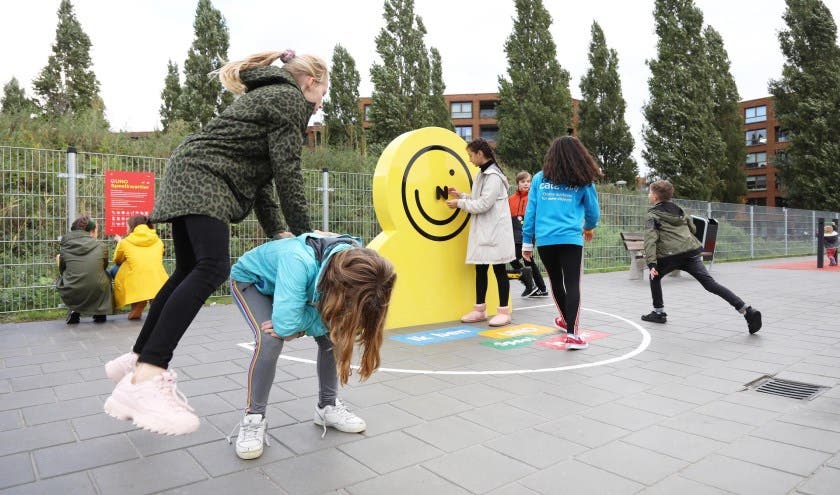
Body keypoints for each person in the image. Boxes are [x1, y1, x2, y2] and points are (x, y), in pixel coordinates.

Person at [103, 49, 327, 436]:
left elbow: (262, 179)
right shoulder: (289, 99)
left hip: (191, 170)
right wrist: (307, 233)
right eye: (323, 91)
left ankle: (138, 357)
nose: (322, 100)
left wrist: (280, 230)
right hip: (205, 177)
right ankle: (148, 376)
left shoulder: (267, 95)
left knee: (191, 268)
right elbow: (288, 173)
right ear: (310, 81)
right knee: (212, 268)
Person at [227, 232, 396, 460]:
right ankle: (253, 418)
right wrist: (300, 323)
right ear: (340, 285)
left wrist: (304, 323)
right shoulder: (297, 260)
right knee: (271, 340)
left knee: (330, 335)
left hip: (294, 287)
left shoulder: (362, 263)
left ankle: (327, 408)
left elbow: (327, 317)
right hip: (254, 283)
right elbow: (286, 326)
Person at [641, 179, 762, 334]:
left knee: (654, 277)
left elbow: (650, 240)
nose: (649, 195)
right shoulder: (680, 210)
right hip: (691, 252)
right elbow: (693, 228)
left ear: (656, 197)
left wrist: (652, 264)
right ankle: (746, 310)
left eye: (650, 192)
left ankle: (658, 313)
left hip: (669, 256)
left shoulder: (652, 215)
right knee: (710, 284)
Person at [521, 136, 601, 350]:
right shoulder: (583, 180)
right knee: (573, 283)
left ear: (551, 155)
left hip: (545, 240)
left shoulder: (539, 179)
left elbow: (531, 212)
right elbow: (593, 211)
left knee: (556, 281)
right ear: (579, 155)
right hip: (571, 239)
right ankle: (573, 334)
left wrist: (527, 242)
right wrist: (588, 227)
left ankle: (567, 321)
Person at [447, 138, 515, 327]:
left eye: (470, 155)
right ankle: (480, 309)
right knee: (481, 268)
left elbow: (484, 204)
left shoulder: (493, 176)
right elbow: (479, 199)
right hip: (486, 231)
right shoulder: (483, 174)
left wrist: (459, 204)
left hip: (495, 232)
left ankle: (504, 311)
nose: (469, 159)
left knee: (500, 269)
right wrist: (461, 195)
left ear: (480, 154)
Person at [57, 215, 113, 324]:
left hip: (72, 287)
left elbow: (62, 268)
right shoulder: (102, 246)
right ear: (91, 232)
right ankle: (100, 313)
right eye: (97, 230)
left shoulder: (65, 245)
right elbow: (104, 266)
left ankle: (74, 310)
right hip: (97, 286)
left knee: (69, 276)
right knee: (104, 275)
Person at [111, 215, 169, 320]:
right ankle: (154, 301)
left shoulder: (125, 242)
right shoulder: (159, 241)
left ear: (133, 227)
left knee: (116, 268)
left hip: (136, 280)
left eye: (127, 227)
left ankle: (138, 303)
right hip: (158, 279)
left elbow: (117, 260)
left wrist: (120, 242)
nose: (126, 229)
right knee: (149, 266)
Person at [508, 170, 549, 298]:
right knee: (527, 262)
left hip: (527, 235)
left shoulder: (533, 197)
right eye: (523, 181)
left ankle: (530, 283)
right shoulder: (511, 200)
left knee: (514, 258)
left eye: (528, 181)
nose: (526, 184)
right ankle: (540, 288)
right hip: (514, 235)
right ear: (518, 183)